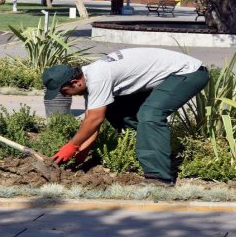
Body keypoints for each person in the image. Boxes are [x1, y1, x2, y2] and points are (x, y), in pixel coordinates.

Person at [43, 48, 209, 187]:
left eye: (65, 92)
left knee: (151, 115)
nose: (65, 96)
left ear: (75, 82)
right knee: (113, 107)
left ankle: (159, 178)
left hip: (189, 73)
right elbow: (92, 123)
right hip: (173, 75)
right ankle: (151, 153)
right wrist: (82, 153)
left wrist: (71, 146)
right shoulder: (90, 78)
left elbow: (94, 119)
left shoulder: (98, 77)